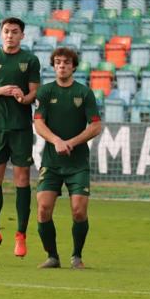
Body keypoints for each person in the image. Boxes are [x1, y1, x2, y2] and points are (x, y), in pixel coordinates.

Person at [0, 17, 40, 258]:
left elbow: (35, 91)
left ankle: (20, 236)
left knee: (22, 178)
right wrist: (0, 90)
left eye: (14, 32)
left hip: (21, 127)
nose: (10, 35)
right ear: (1, 34)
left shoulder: (30, 60)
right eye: (6, 31)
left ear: (22, 35)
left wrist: (25, 97)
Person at [33, 47, 102, 269]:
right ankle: (52, 256)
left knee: (79, 210)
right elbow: (39, 122)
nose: (62, 65)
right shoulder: (45, 92)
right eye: (58, 62)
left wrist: (71, 142)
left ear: (73, 66)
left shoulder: (84, 93)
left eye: (66, 62)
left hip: (78, 163)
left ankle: (77, 256)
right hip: (51, 162)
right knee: (43, 208)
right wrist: (56, 141)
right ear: (53, 66)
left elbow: (96, 125)